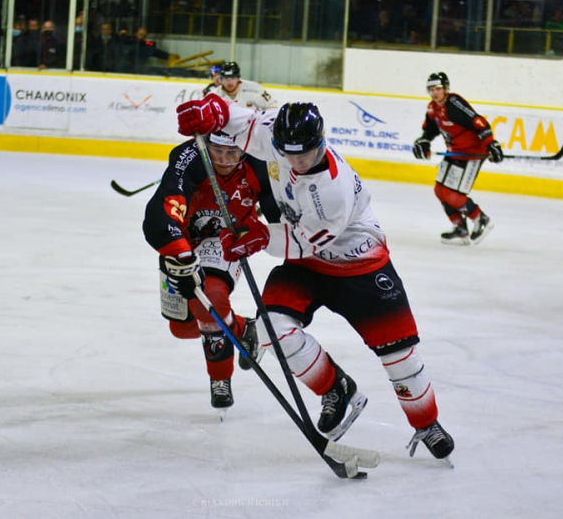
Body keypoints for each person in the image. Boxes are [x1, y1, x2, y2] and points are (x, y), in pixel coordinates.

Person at [174, 93, 455, 459]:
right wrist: (212, 111)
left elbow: (303, 241)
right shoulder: (279, 134)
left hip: (360, 268)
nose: (295, 161)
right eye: (287, 153)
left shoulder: (332, 191)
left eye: (304, 154)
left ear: (321, 142)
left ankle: (426, 422)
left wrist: (256, 236)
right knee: (272, 328)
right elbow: (239, 120)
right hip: (307, 267)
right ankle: (336, 389)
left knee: (400, 357)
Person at [142, 131, 280, 416]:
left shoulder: (258, 162)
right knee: (181, 327)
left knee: (212, 298)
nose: (225, 160)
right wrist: (178, 249)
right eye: (218, 152)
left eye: (233, 153)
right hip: (185, 241)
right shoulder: (189, 157)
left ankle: (220, 378)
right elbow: (163, 207)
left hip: (228, 238)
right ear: (205, 145)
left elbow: (279, 212)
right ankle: (244, 329)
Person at [412, 72, 503, 245]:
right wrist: (424, 141)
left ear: (446, 88)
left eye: (438, 89)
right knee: (439, 191)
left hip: (472, 153)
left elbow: (477, 121)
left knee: (452, 194)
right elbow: (430, 130)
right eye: (431, 89)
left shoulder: (453, 103)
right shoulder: (432, 108)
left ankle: (481, 219)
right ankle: (460, 228)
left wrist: (491, 143)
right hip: (454, 152)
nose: (435, 93)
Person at [209, 62, 278, 111]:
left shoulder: (255, 89)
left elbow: (272, 107)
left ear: (238, 78)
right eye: (226, 79)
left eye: (232, 78)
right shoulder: (213, 95)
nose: (229, 82)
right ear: (221, 79)